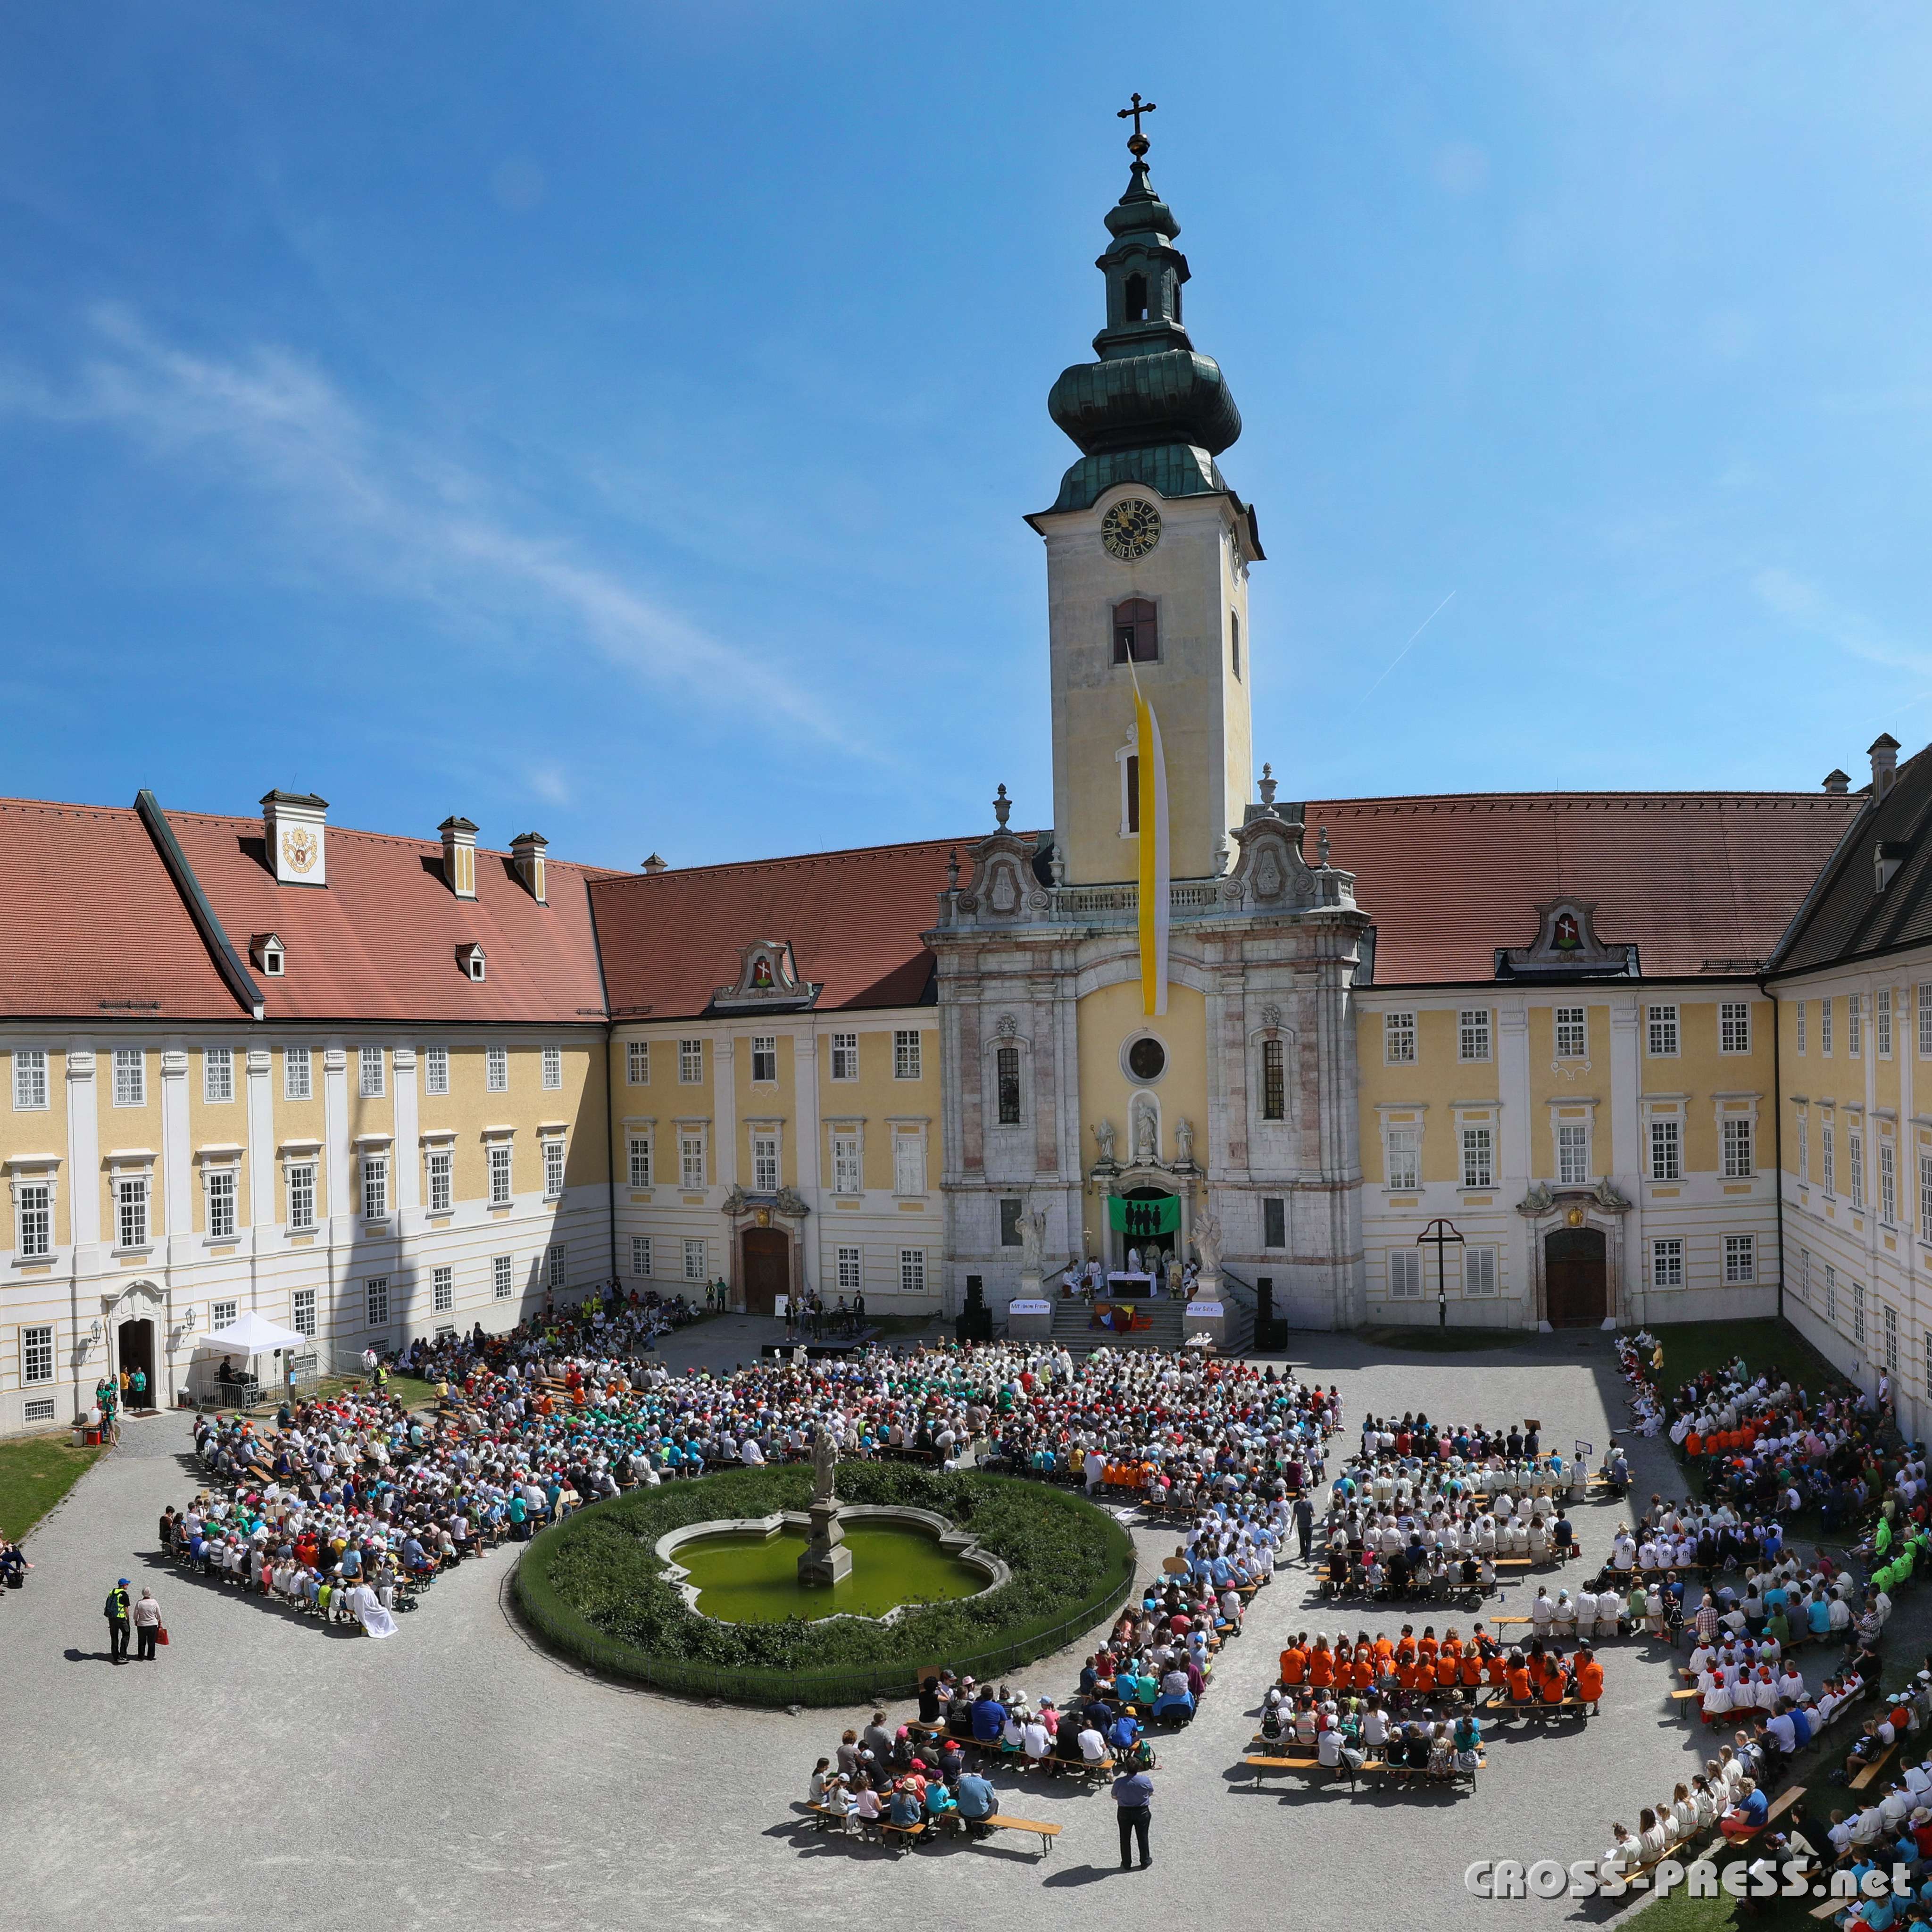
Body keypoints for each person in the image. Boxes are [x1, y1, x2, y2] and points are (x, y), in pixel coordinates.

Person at [1113, 1762, 1154, 1871]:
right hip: (1142, 1811)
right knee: (1143, 1837)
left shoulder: (1119, 1782)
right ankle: (1145, 1861)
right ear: (1138, 1768)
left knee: (1125, 1837)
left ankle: (1127, 1863)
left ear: (1126, 1769)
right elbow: (1150, 1793)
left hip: (1124, 1812)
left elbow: (1114, 1796)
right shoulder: (1145, 1780)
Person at [104, 1577, 132, 1663]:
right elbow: (126, 1609)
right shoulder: (124, 1595)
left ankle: (115, 1656)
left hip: (112, 1618)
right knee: (126, 1633)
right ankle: (122, 1656)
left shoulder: (112, 1592)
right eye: (127, 1584)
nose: (128, 1585)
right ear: (124, 1586)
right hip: (121, 1618)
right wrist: (128, 1619)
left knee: (114, 1637)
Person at [131, 1586, 162, 1661]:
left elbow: (136, 1614)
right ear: (150, 1594)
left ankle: (141, 1657)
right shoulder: (154, 1602)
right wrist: (160, 1622)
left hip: (142, 1625)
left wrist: (136, 1621)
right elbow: (159, 1614)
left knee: (142, 1642)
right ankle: (151, 1656)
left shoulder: (140, 1603)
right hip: (153, 1624)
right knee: (152, 1642)